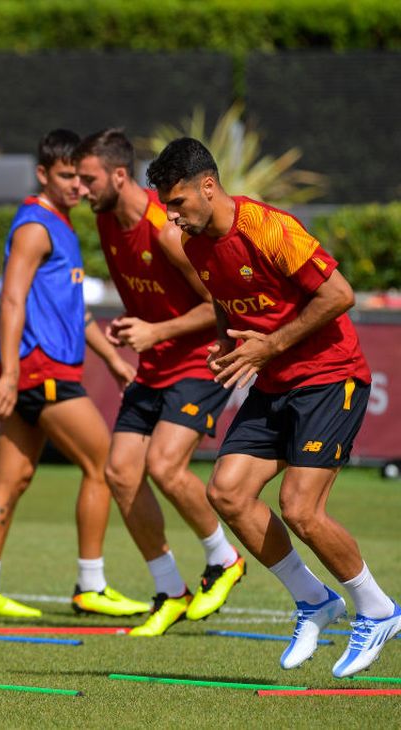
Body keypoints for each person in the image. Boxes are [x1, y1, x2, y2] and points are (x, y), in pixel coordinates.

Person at [147, 137, 399, 677]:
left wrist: (270, 345)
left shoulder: (270, 228)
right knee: (227, 492)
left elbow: (340, 295)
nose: (171, 217)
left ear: (208, 187)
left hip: (332, 377)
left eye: (178, 204)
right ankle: (315, 600)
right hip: (274, 378)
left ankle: (377, 610)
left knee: (301, 509)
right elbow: (221, 297)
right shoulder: (194, 245)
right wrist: (224, 341)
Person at [0, 129, 150, 619]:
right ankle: (90, 584)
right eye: (66, 176)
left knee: (14, 476)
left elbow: (74, 313)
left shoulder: (63, 225)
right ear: (43, 175)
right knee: (104, 464)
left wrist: (112, 359)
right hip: (39, 370)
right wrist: (7, 375)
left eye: (80, 176)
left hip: (37, 370)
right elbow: (11, 300)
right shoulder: (35, 226)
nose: (76, 185)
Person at [74, 129, 244, 637]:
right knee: (121, 472)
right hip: (154, 364)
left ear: (118, 175)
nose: (81, 189)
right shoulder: (106, 220)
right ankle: (170, 590)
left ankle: (224, 559)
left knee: (165, 465)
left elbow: (217, 304)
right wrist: (138, 328)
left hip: (199, 358)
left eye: (88, 179)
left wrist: (156, 330)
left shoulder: (166, 230)